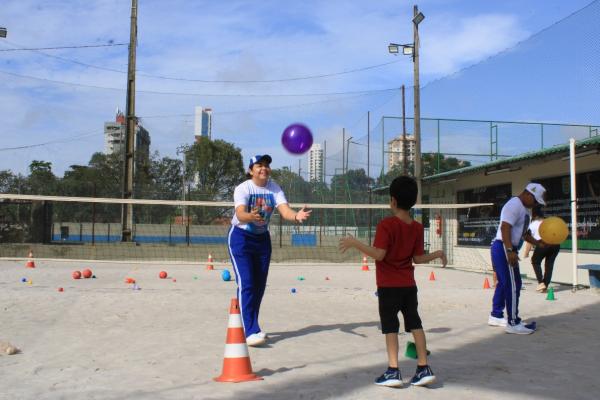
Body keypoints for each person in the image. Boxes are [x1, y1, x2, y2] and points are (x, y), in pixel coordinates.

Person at [339, 176, 447, 388]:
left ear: (393, 201)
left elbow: (379, 255)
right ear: (413, 200)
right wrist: (437, 253)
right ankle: (423, 367)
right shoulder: (416, 227)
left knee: (390, 328)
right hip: (409, 286)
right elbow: (417, 259)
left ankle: (393, 371)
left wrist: (355, 243)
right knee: (415, 324)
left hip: (388, 287)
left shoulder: (386, 225)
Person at [228, 154, 311, 347]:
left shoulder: (274, 188)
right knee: (247, 283)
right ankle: (248, 330)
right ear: (251, 170)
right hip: (241, 238)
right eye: (259, 165)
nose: (263, 168)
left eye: (266, 165)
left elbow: (285, 210)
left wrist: (296, 216)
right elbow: (240, 213)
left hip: (262, 240)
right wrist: (250, 216)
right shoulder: (243, 188)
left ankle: (254, 326)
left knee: (259, 285)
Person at [488, 182, 546, 334]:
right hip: (503, 247)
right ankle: (513, 322)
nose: (535, 205)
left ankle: (496, 315)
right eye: (535, 201)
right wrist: (509, 250)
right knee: (514, 285)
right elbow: (505, 227)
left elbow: (524, 233)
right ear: (528, 194)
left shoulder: (525, 210)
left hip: (505, 248)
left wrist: (537, 243)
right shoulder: (514, 205)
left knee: (504, 283)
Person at [524, 206, 560, 293]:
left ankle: (541, 283)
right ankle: (545, 285)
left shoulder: (533, 224)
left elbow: (529, 240)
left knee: (535, 261)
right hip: (555, 244)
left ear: (534, 216)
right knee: (549, 264)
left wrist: (526, 252)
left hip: (543, 242)